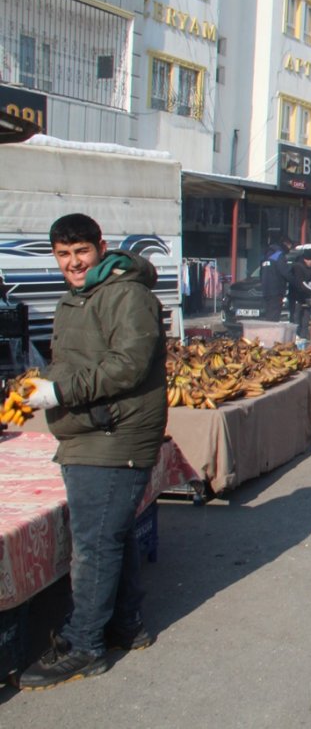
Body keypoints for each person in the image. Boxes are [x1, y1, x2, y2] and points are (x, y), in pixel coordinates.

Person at [18, 213, 167, 690]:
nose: (73, 262)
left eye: (81, 251)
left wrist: (59, 395)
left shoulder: (126, 294)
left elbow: (129, 365)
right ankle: (126, 624)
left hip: (114, 433)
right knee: (112, 535)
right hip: (90, 430)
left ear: (100, 246)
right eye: (63, 255)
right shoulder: (82, 295)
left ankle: (85, 645)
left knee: (93, 544)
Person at [259, 235, 293, 321]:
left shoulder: (267, 255)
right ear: (286, 244)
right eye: (290, 246)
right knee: (274, 317)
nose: (289, 249)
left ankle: (267, 333)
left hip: (265, 291)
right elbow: (285, 272)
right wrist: (295, 281)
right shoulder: (278, 254)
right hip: (276, 290)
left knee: (269, 315)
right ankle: (271, 334)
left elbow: (262, 272)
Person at [287, 249, 311, 339]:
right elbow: (302, 284)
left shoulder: (309, 268)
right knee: (296, 320)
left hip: (305, 299)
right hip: (297, 298)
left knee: (305, 322)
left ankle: (303, 338)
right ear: (307, 259)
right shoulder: (298, 267)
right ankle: (295, 338)